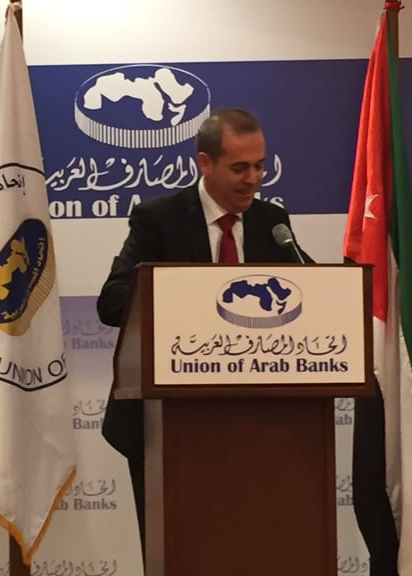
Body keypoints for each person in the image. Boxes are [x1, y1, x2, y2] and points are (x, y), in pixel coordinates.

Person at [96, 107, 312, 554]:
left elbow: (306, 293)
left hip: (262, 423)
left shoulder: (272, 223)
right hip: (168, 422)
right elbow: (113, 301)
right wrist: (191, 301)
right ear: (204, 163)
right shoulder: (159, 219)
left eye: (260, 166)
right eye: (239, 168)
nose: (253, 179)